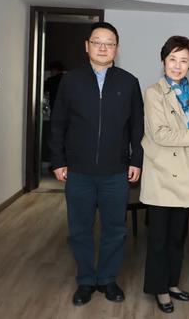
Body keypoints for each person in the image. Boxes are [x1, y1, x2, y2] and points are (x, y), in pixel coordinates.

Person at [49, 22, 144, 306]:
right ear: (87, 46)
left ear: (117, 48)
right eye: (97, 42)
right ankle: (86, 280)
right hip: (78, 171)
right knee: (80, 229)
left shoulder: (129, 82)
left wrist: (136, 160)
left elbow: (137, 127)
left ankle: (108, 279)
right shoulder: (71, 81)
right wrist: (58, 160)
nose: (103, 47)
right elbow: (58, 123)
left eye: (109, 43)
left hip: (116, 171)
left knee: (115, 229)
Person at [140, 36, 189, 314]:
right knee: (159, 238)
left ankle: (172, 283)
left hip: (186, 174)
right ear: (163, 61)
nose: (177, 65)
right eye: (172, 59)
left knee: (177, 236)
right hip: (162, 175)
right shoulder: (153, 93)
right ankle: (159, 288)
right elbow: (161, 134)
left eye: (183, 60)